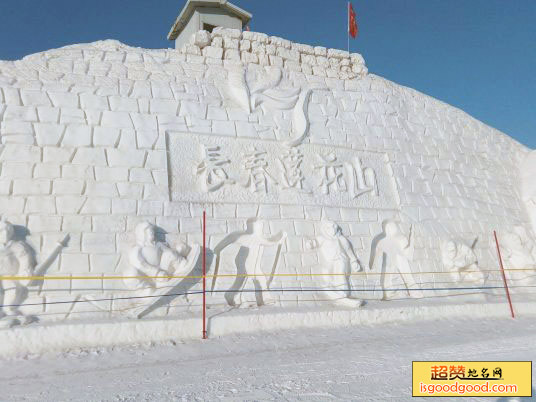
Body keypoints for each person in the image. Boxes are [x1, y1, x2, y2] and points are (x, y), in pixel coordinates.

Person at [212, 218, 285, 308]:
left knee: (261, 280)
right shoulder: (247, 237)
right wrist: (279, 238)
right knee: (242, 281)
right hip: (245, 265)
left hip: (255, 266)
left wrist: (280, 237)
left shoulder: (254, 238)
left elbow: (270, 242)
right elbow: (269, 242)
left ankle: (264, 299)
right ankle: (233, 297)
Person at [308, 220, 364, 307]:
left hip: (341, 260)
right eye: (329, 227)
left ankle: (343, 293)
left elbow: (349, 251)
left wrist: (354, 261)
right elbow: (314, 243)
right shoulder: (323, 238)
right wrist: (310, 243)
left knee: (340, 275)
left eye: (334, 226)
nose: (332, 229)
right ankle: (330, 289)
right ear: (325, 229)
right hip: (329, 262)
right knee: (326, 273)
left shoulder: (341, 238)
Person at [124, 221, 188, 292]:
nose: (152, 232)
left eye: (152, 231)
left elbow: (169, 252)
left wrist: (179, 250)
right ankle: (146, 290)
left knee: (169, 254)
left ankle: (181, 265)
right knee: (131, 274)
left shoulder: (157, 244)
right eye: (149, 231)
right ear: (142, 234)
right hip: (150, 275)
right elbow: (141, 265)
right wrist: (157, 273)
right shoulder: (137, 249)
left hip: (163, 269)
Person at [370, 220, 423, 299]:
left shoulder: (400, 238)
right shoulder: (380, 239)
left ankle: (413, 291)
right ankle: (389, 293)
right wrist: (373, 264)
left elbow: (409, 254)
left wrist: (412, 239)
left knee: (406, 274)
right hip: (390, 260)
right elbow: (376, 253)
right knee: (388, 276)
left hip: (399, 259)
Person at [0, 219, 36, 326]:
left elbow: (24, 259)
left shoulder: (18, 246)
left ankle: (12, 313)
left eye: (7, 231)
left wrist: (24, 273)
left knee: (11, 294)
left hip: (10, 276)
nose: (5, 234)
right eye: (2, 231)